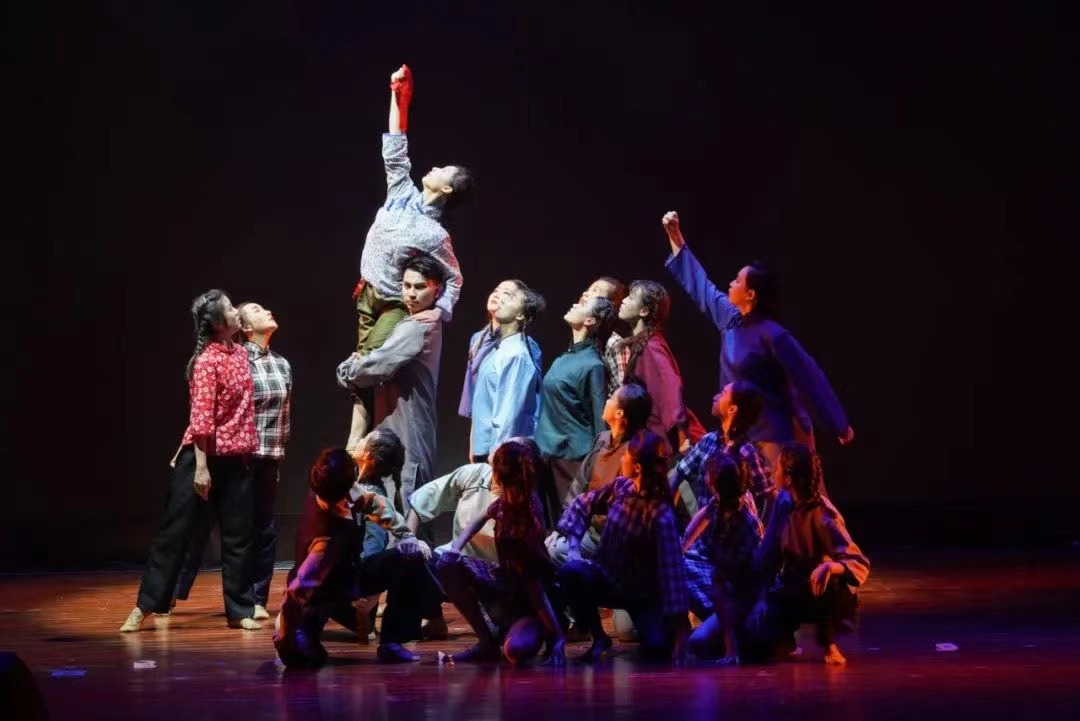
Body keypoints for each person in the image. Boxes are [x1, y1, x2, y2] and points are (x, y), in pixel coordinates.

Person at [661, 211, 854, 467]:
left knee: (776, 490)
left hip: (770, 437)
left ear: (750, 294)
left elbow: (810, 377)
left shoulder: (773, 335)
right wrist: (676, 238)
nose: (731, 283)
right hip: (736, 434)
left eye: (738, 281)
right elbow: (702, 287)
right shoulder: (730, 319)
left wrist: (839, 424)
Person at [346, 63, 471, 451]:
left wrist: (439, 312)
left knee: (368, 362)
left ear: (447, 189)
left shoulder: (435, 233)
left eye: (442, 170)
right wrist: (398, 97)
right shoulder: (402, 193)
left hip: (393, 303)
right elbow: (395, 145)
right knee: (364, 367)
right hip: (366, 295)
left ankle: (357, 443)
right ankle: (365, 441)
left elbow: (454, 278)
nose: (434, 167)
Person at [120, 290, 261, 632]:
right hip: (203, 457)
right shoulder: (207, 360)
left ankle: (240, 610)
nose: (236, 311)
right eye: (230, 308)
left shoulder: (241, 353)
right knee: (175, 533)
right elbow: (201, 418)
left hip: (237, 457)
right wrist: (201, 467)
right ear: (218, 323)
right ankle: (146, 605)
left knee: (238, 536)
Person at [272, 432, 438, 667]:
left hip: (349, 579)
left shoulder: (340, 491)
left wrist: (406, 535)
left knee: (409, 558)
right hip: (319, 600)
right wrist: (285, 631)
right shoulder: (325, 541)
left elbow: (373, 503)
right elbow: (297, 591)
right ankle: (300, 635)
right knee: (305, 660)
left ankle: (391, 643)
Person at [174, 302, 293, 621]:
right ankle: (172, 591)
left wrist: (278, 457)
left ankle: (256, 599)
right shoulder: (238, 361)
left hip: (268, 457)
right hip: (236, 456)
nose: (268, 310)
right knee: (203, 527)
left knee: (264, 530)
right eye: (257, 309)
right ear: (245, 327)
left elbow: (283, 417)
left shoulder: (282, 364)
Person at [556, 430, 689, 663]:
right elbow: (581, 504)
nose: (622, 458)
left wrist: (680, 632)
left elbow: (673, 575)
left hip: (643, 595)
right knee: (571, 572)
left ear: (637, 467)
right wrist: (574, 548)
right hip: (608, 579)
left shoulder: (660, 515)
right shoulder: (621, 488)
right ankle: (598, 636)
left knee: (658, 647)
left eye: (626, 455)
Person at [437, 439, 566, 666]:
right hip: (508, 584)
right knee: (446, 564)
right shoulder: (508, 502)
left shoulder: (521, 522)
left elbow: (536, 590)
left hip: (532, 605)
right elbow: (480, 518)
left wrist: (557, 638)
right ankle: (486, 642)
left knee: (515, 651)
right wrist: (456, 547)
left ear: (497, 475)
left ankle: (543, 630)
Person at [338, 252, 447, 513]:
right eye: (407, 286)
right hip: (398, 423)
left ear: (437, 290)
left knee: (407, 501)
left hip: (408, 426)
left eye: (420, 287)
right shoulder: (419, 322)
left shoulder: (418, 327)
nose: (411, 294)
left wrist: (347, 370)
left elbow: (377, 365)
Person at [750, 442, 870, 665]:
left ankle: (829, 645)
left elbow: (858, 561)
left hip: (824, 593)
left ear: (788, 479)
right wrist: (761, 598)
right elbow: (766, 556)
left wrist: (830, 567)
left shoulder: (823, 514)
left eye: (777, 468)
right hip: (795, 587)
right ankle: (785, 640)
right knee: (756, 638)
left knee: (824, 581)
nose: (772, 472)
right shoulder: (782, 504)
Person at [544, 381, 651, 565]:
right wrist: (565, 527)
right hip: (587, 526)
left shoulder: (632, 454)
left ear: (619, 413)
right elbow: (579, 485)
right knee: (549, 544)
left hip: (608, 537)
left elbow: (624, 510)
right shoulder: (603, 439)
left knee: (555, 550)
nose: (606, 401)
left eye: (611, 398)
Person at [535, 295, 614, 524]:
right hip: (548, 455)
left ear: (590, 320)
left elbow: (600, 423)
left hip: (571, 461)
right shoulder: (565, 357)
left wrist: (598, 468)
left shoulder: (593, 365)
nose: (574, 304)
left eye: (582, 304)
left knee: (568, 526)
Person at [681, 452, 763, 664]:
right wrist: (680, 547)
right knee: (679, 566)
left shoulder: (740, 520)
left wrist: (730, 646)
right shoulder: (722, 503)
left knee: (699, 642)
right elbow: (699, 520)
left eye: (707, 475)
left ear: (714, 483)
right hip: (729, 593)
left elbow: (739, 579)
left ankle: (736, 642)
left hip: (745, 598)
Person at [612, 280, 704, 453]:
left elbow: (670, 387)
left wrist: (681, 434)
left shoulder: (651, 346)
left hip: (667, 441)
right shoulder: (642, 344)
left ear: (644, 311)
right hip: (655, 437)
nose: (623, 301)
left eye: (630, 297)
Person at [458, 280, 541, 457]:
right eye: (497, 290)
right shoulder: (488, 345)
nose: (499, 296)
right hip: (484, 441)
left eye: (508, 295)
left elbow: (510, 412)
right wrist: (475, 443)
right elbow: (478, 399)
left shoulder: (519, 353)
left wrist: (497, 456)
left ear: (520, 314)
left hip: (501, 448)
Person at [577, 277, 629, 395]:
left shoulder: (614, 343)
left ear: (608, 304)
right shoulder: (582, 340)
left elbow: (622, 393)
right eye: (588, 289)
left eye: (595, 290)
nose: (585, 293)